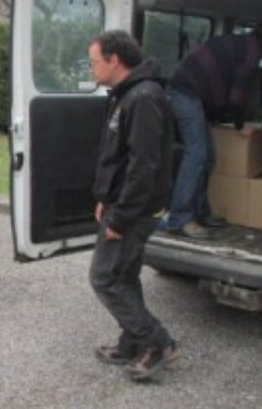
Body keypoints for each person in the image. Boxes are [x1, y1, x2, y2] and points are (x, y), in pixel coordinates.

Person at [88, 30, 178, 382]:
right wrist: (104, 198)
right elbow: (119, 157)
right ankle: (131, 341)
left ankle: (157, 344)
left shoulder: (143, 98)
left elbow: (145, 165)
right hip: (122, 203)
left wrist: (121, 216)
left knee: (105, 278)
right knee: (123, 276)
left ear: (115, 60)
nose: (92, 68)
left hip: (135, 210)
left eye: (95, 61)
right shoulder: (126, 95)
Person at [165, 15, 262, 239]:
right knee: (197, 155)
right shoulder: (251, 53)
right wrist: (239, 124)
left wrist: (230, 115)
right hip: (185, 92)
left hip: (189, 92)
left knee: (207, 157)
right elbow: (238, 95)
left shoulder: (243, 43)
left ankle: (199, 212)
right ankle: (180, 219)